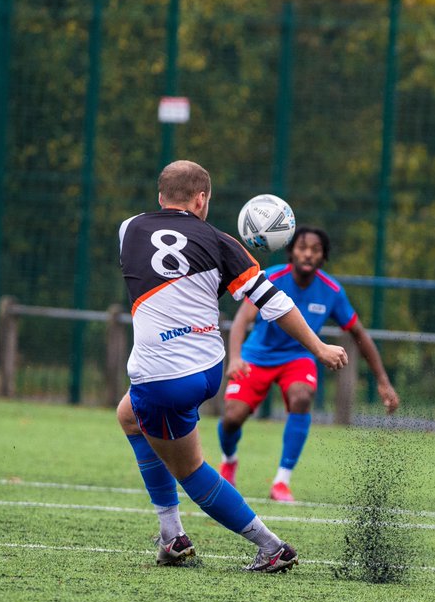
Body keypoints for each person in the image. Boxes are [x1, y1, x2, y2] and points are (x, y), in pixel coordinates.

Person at [115, 160, 348, 571]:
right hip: (207, 369)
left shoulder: (129, 228)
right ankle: (171, 536)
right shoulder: (221, 243)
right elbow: (274, 303)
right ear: (202, 199)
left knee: (190, 470)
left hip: (163, 375)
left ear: (160, 196)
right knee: (129, 415)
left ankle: (271, 547)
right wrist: (319, 347)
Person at [216, 226, 400, 501]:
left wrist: (383, 382)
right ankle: (229, 460)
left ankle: (281, 482)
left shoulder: (332, 291)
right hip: (256, 355)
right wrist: (235, 358)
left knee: (302, 396)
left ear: (323, 257)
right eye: (302, 248)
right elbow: (243, 319)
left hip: (298, 357)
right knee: (232, 417)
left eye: (315, 250)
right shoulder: (271, 277)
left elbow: (359, 334)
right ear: (291, 252)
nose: (308, 254)